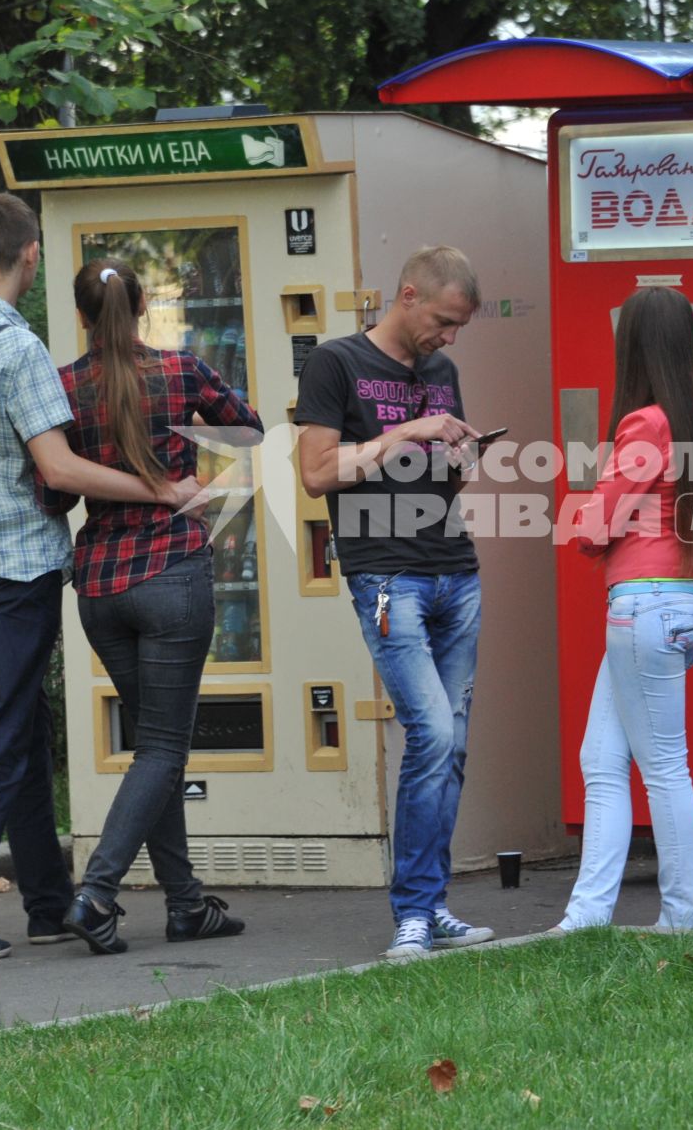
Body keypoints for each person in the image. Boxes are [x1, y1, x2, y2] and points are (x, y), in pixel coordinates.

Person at [0, 194, 205, 963]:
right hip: (20, 569)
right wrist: (159, 488)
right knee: (0, 733)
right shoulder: (18, 350)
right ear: (30, 257)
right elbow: (59, 467)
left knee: (25, 727)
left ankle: (43, 901)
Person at [37, 258, 263, 954]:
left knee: (153, 748)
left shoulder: (64, 387)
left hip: (101, 588)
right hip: (171, 573)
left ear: (81, 315)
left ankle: (186, 905)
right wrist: (192, 474)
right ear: (140, 305)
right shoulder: (182, 371)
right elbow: (249, 428)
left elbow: (57, 495)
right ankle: (97, 894)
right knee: (163, 748)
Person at [294, 245, 494, 959]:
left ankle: (433, 906)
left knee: (454, 743)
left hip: (454, 570)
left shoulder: (444, 372)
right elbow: (316, 474)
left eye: (460, 326)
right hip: (385, 576)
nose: (450, 336)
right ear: (407, 295)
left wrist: (463, 459)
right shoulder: (336, 363)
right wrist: (405, 431)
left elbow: (447, 485)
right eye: (444, 320)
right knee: (432, 732)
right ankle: (412, 910)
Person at [557, 285, 693, 932]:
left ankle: (685, 916)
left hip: (642, 609)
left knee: (664, 768)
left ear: (632, 346)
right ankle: (587, 914)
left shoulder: (644, 423)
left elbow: (594, 527)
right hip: (687, 603)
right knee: (602, 757)